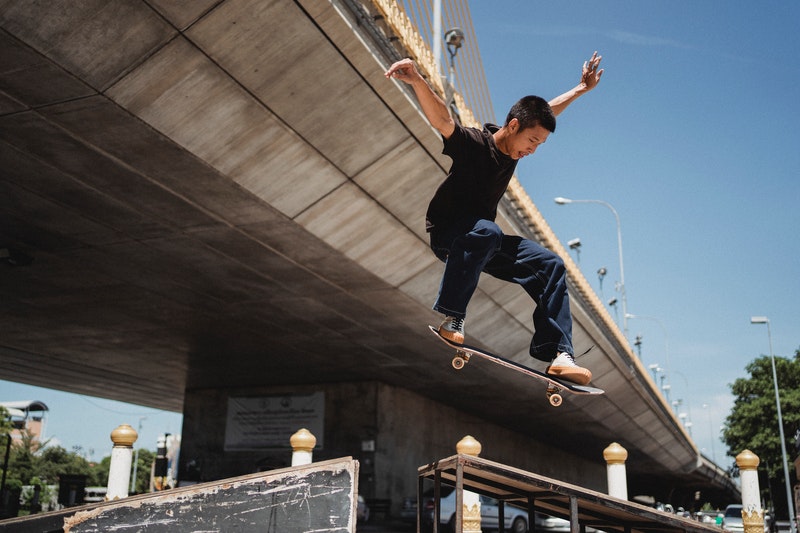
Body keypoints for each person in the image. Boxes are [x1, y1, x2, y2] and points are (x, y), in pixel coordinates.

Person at [384, 52, 604, 385]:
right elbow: (443, 121)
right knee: (488, 231)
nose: (532, 150)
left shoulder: (517, 145)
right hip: (449, 235)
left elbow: (547, 109)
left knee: (550, 265)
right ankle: (453, 318)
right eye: (531, 141)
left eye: (539, 144)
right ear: (513, 126)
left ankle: (559, 353)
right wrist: (418, 80)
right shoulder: (474, 144)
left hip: (483, 243)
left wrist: (580, 90)